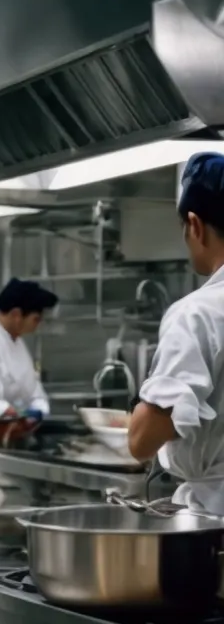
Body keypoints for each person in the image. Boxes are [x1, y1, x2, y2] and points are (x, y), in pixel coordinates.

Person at [130, 151, 224, 511]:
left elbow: (142, 440)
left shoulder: (198, 314)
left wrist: (143, 407)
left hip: (215, 523)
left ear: (195, 225)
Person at [0, 278, 58, 442]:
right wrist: (20, 414)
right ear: (16, 315)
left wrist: (38, 409)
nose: (39, 324)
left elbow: (33, 389)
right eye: (36, 319)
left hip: (17, 435)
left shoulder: (17, 342)